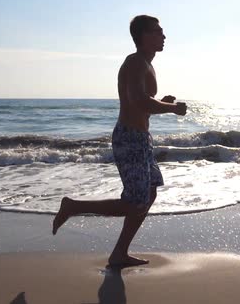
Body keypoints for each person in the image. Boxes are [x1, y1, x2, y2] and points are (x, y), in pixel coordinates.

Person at [52, 15, 187, 267]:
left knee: (149, 192)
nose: (164, 36)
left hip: (141, 138)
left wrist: (163, 102)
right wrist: (172, 109)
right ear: (144, 36)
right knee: (135, 201)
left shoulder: (146, 63)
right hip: (130, 138)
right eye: (158, 31)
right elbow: (138, 101)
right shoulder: (135, 62)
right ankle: (73, 207)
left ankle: (119, 254)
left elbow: (142, 103)